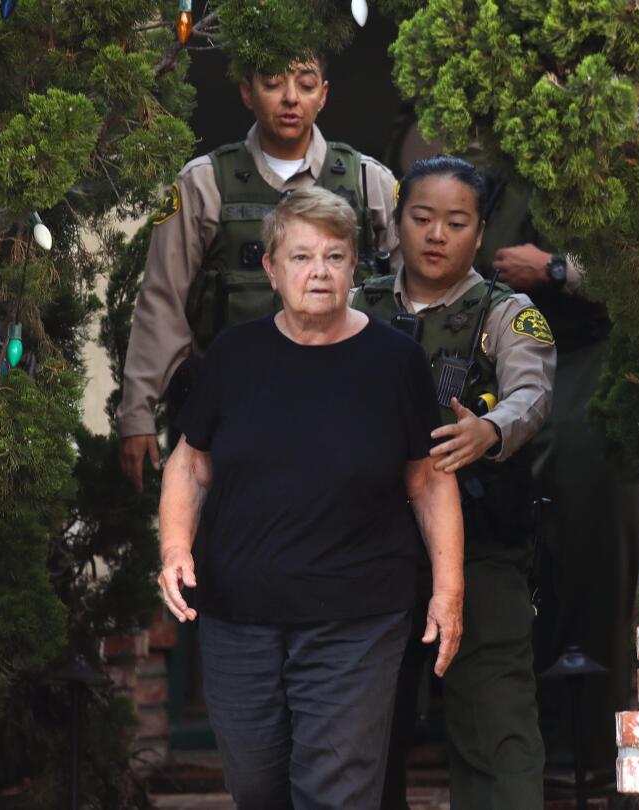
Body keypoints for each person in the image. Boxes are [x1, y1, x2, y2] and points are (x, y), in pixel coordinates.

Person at [156, 187, 463, 809]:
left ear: (354, 267)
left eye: (334, 257)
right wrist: (174, 546)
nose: (318, 272)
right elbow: (190, 462)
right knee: (257, 786)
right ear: (271, 269)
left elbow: (429, 479)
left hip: (357, 619)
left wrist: (448, 593)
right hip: (239, 617)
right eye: (300, 257)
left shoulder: (395, 361)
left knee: (335, 790)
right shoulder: (234, 357)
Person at [352, 157, 556, 810]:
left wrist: (489, 431)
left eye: (456, 221)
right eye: (422, 218)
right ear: (398, 223)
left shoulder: (505, 312)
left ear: (480, 232)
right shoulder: (357, 304)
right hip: (370, 548)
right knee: (361, 736)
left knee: (496, 731)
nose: (437, 234)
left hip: (481, 550)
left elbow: (532, 392)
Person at [118, 55, 399, 489]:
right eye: (273, 83)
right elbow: (162, 302)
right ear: (247, 91)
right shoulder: (205, 183)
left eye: (305, 85)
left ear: (323, 95)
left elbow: (408, 295)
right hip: (229, 416)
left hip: (344, 412)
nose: (290, 98)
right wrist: (137, 412)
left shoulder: (366, 181)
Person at [475, 166, 639, 778]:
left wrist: (552, 268)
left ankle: (585, 751)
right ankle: (517, 750)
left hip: (587, 368)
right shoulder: (493, 169)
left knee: (589, 558)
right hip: (501, 373)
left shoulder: (608, 158)